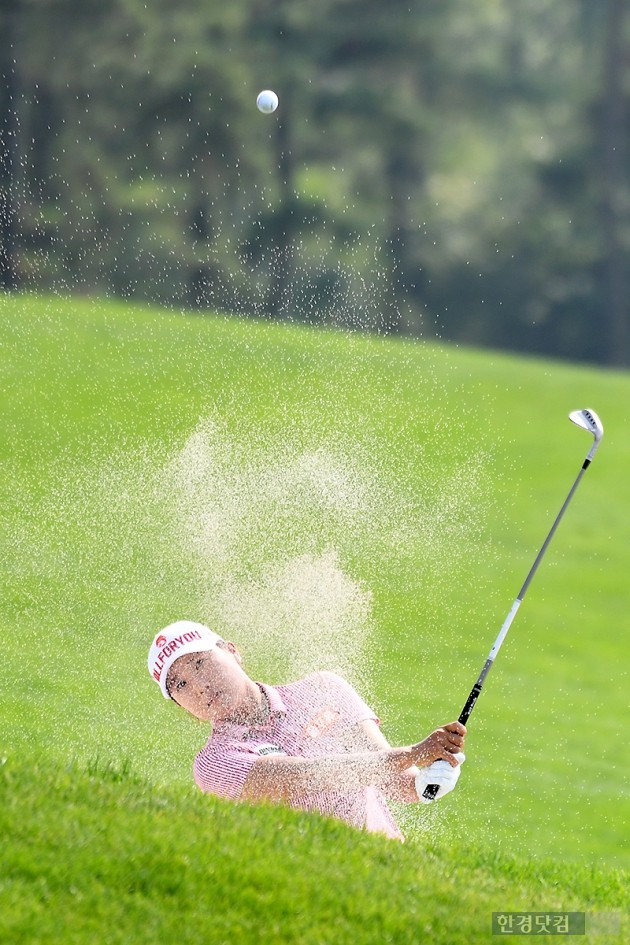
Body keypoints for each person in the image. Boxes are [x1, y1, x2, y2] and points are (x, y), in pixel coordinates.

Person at [148, 620, 466, 840]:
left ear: (232, 651)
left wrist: (429, 781)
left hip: (390, 866)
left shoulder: (324, 689)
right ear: (181, 706)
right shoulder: (214, 763)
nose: (200, 686)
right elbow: (309, 776)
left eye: (201, 663)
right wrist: (413, 753)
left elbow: (396, 783)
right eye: (180, 684)